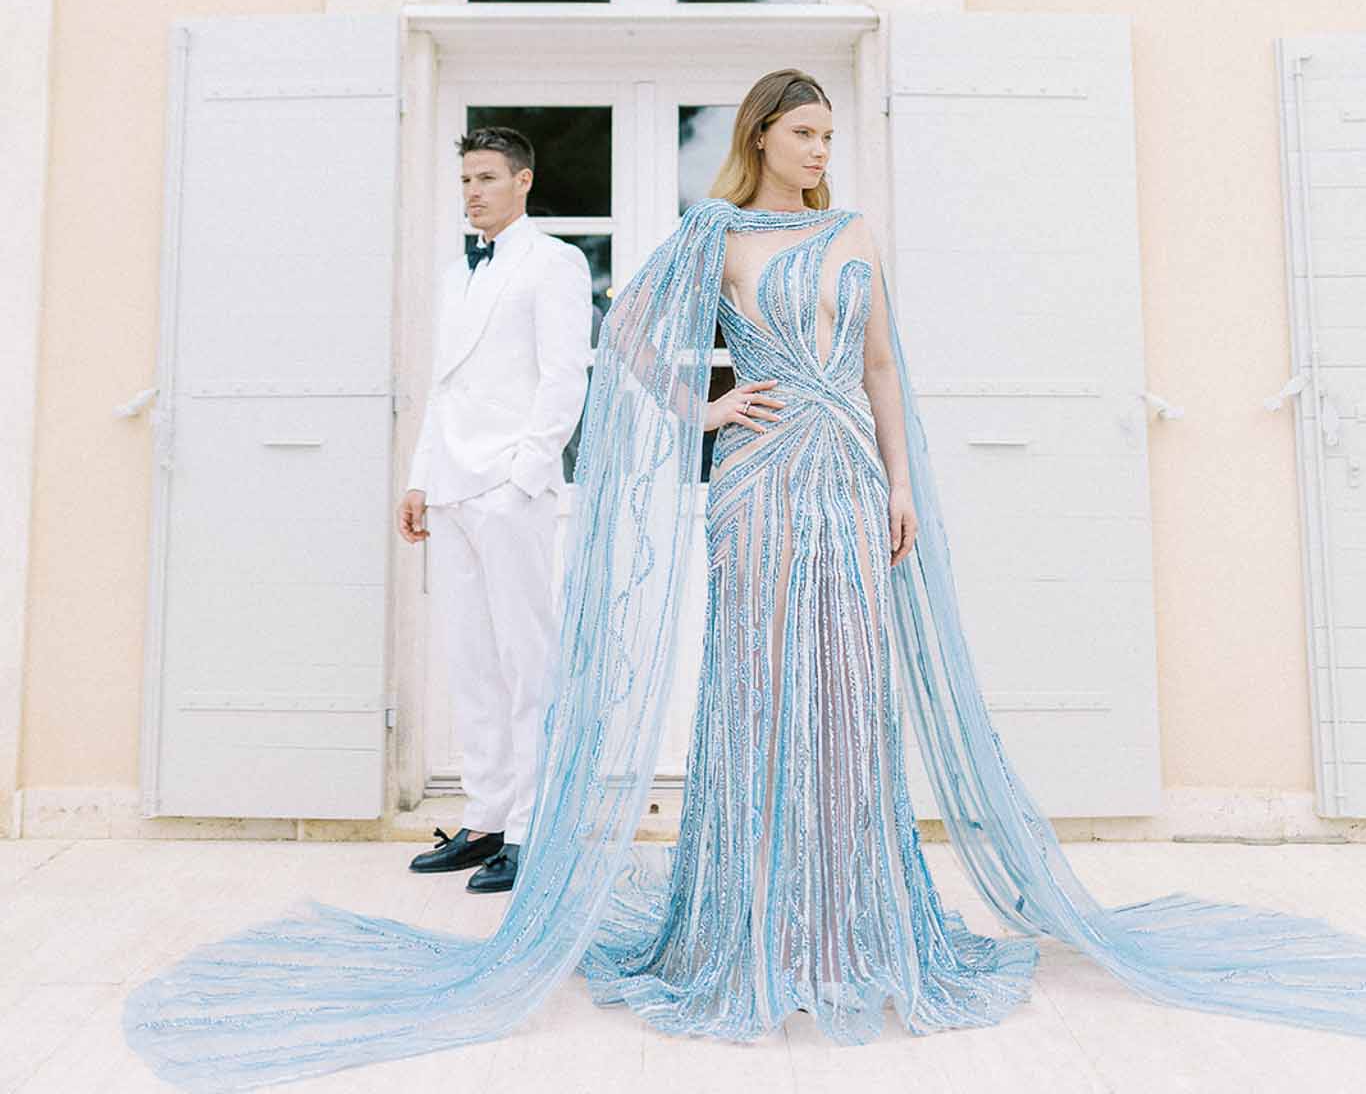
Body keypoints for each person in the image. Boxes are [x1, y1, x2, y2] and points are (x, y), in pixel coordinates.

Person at [124, 70, 1366, 1089]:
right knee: (760, 688)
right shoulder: (716, 235)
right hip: (759, 483)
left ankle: (854, 916)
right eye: (806, 130)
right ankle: (749, 918)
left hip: (843, 480)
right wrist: (711, 398)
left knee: (847, 691)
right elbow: (627, 345)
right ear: (761, 135)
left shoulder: (853, 233)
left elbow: (881, 365)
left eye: (831, 132)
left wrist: (899, 482)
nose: (825, 149)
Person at [399, 125, 593, 894]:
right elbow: (444, 385)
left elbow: (562, 379)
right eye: (466, 180)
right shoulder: (456, 275)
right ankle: (484, 820)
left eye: (485, 177)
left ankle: (533, 827)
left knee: (527, 661)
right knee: (473, 663)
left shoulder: (556, 263)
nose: (473, 192)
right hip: (450, 487)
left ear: (522, 180)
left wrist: (523, 477)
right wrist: (420, 477)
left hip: (510, 490)